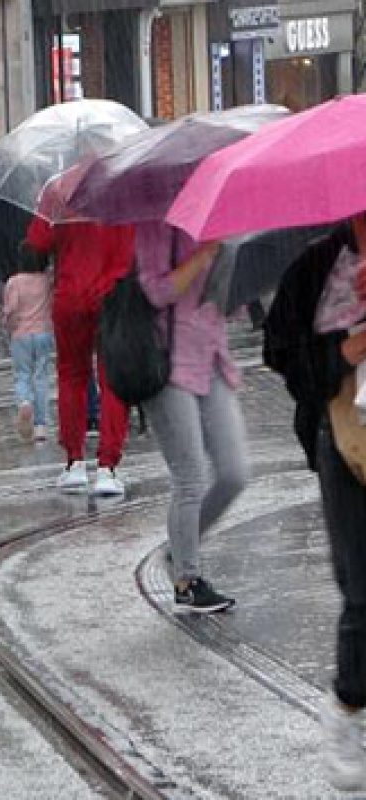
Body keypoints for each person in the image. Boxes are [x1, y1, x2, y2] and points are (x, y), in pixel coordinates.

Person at [264, 216, 366, 792]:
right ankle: (347, 710)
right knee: (362, 589)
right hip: (344, 434)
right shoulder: (318, 264)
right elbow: (282, 351)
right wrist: (348, 347)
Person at [137, 220, 248, 614]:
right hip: (168, 363)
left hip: (213, 358)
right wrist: (202, 255)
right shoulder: (155, 224)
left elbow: (230, 308)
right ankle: (187, 579)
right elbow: (155, 291)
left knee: (235, 473)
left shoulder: (219, 221)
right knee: (191, 476)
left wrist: (235, 272)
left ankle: (180, 546)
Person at [27, 189, 135, 496]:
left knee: (72, 376)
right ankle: (107, 466)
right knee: (111, 378)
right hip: (114, 294)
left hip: (71, 293)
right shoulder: (122, 187)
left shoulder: (59, 188)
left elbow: (38, 242)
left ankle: (74, 462)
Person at [3, 244, 53, 442]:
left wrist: (10, 325)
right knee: (41, 377)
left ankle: (24, 402)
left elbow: (11, 309)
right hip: (43, 333)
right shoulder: (47, 280)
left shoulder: (14, 282)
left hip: (21, 335)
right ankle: (41, 425)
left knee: (22, 375)